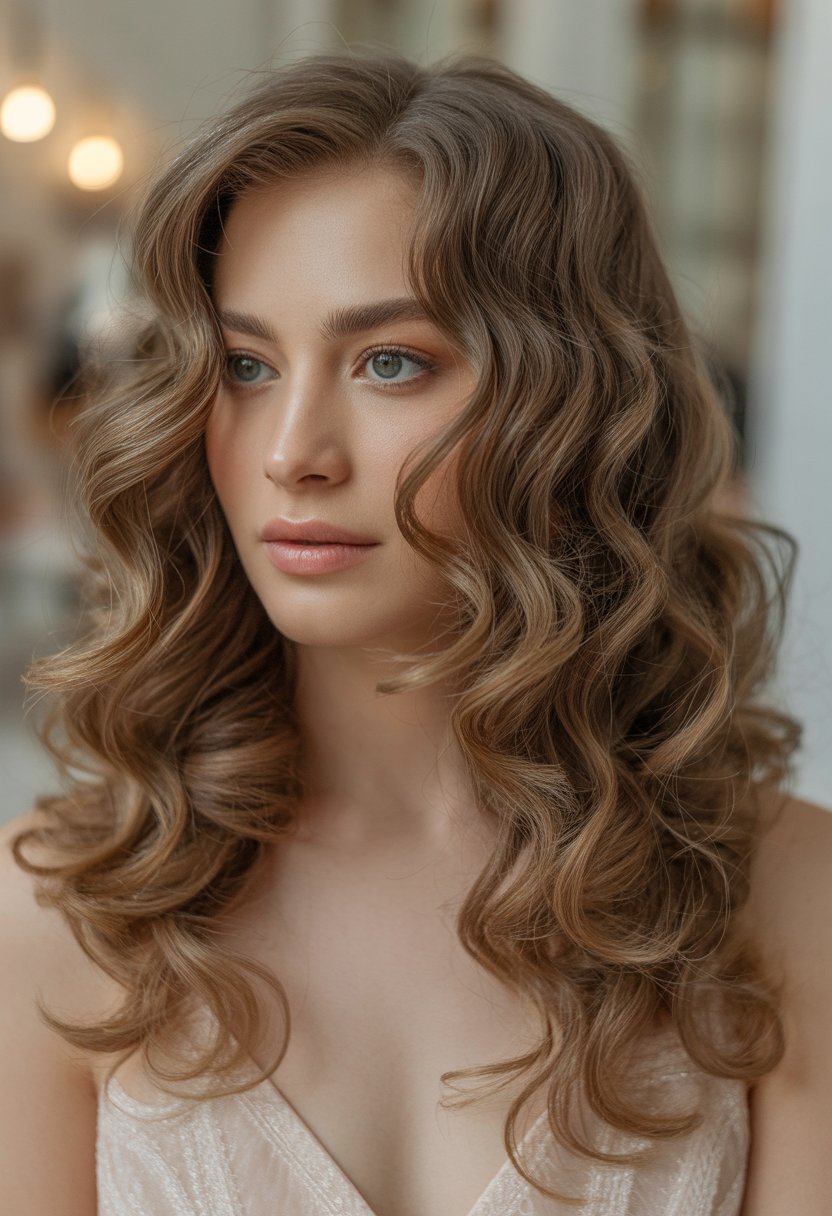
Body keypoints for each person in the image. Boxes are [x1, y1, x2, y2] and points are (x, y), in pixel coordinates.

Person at [1, 51, 830, 1216]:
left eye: (390, 362)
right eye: (245, 365)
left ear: (570, 415)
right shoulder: (56, 915)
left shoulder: (791, 907)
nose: (293, 449)